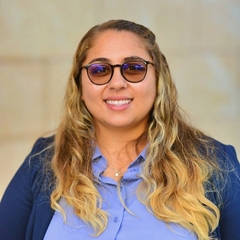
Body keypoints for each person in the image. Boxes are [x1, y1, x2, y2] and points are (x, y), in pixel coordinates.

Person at [0, 19, 239, 240]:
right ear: (80, 87)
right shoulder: (43, 162)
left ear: (159, 80)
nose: (117, 83)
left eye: (134, 68)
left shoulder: (217, 164)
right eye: (100, 70)